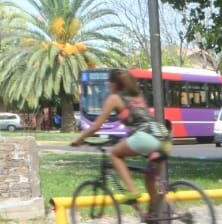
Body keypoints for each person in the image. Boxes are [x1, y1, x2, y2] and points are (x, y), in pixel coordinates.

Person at [70, 68, 171, 207]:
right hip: (164, 137)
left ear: (114, 84)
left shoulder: (114, 98)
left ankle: (132, 191)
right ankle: (156, 215)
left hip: (146, 136)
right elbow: (140, 119)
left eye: (109, 83)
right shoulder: (138, 97)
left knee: (115, 154)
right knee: (150, 179)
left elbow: (96, 126)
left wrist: (78, 140)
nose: (107, 85)